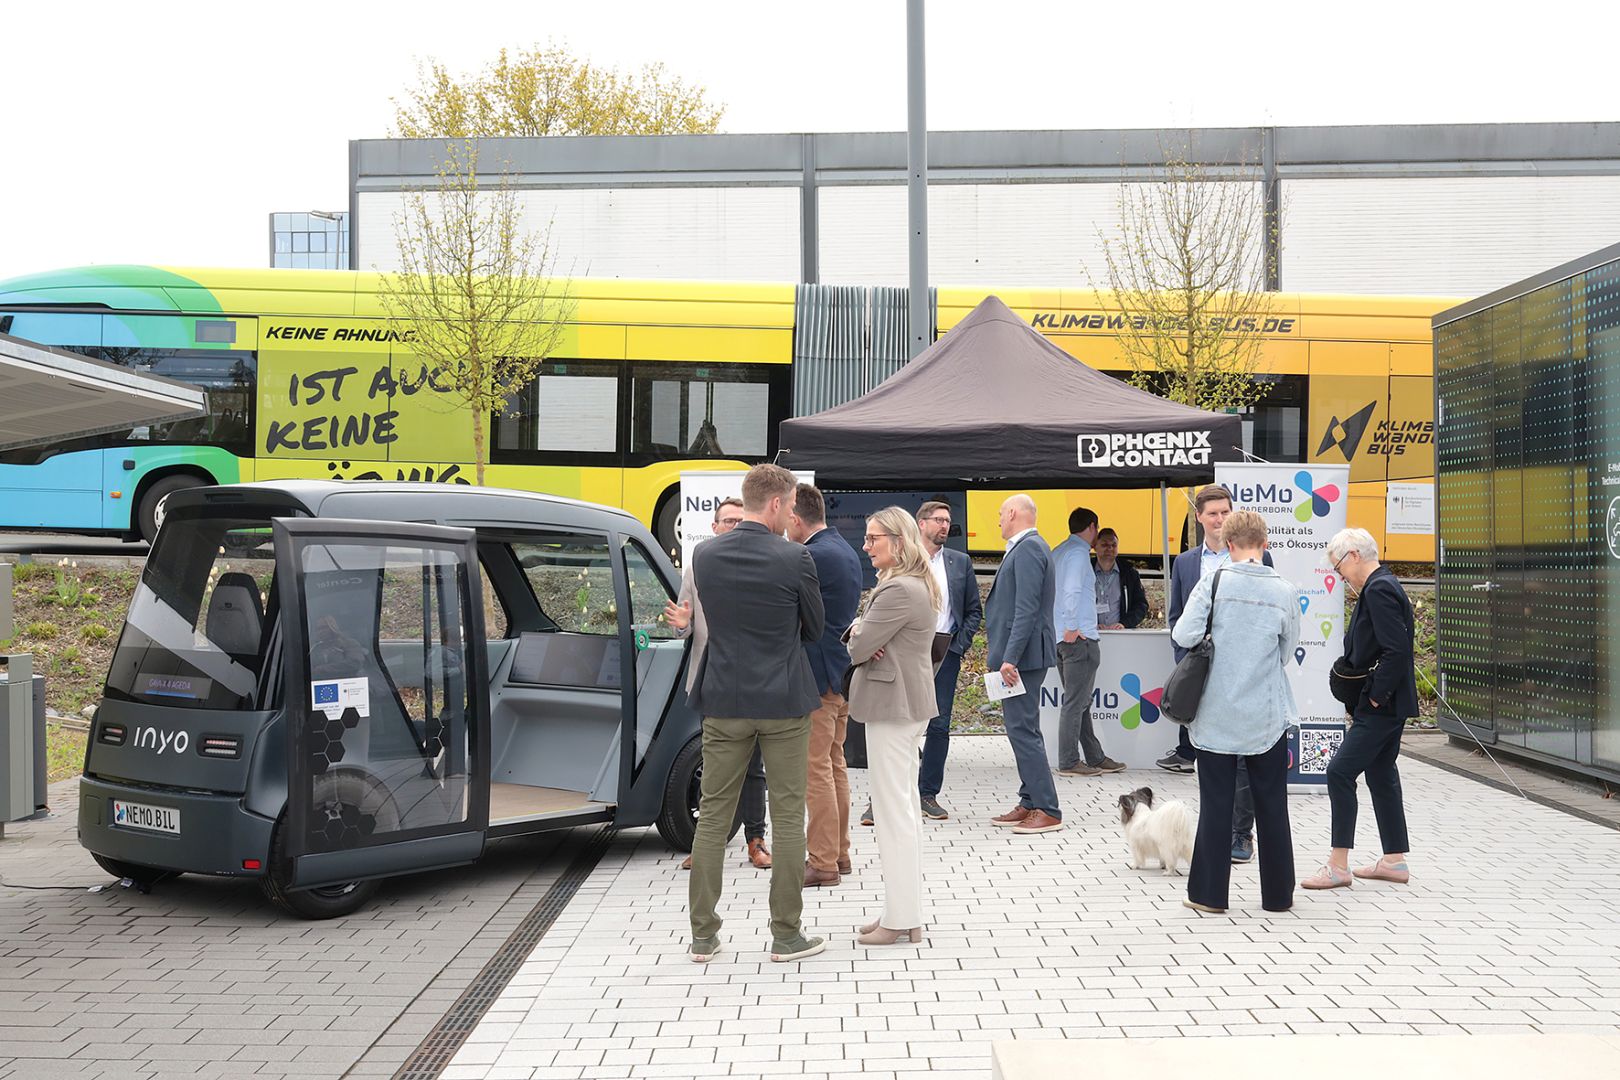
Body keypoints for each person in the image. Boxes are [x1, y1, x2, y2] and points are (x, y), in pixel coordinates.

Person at [684, 463, 827, 964]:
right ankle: (786, 934)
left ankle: (703, 935)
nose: (792, 515)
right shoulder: (794, 558)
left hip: (724, 698)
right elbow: (813, 629)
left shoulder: (704, 554)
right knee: (787, 817)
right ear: (774, 503)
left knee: (712, 816)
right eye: (790, 506)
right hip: (784, 700)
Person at [1171, 510, 1299, 915]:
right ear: (1265, 544)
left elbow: (1184, 634)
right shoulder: (1285, 590)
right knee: (1272, 806)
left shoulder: (1214, 580)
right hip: (1265, 716)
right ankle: (1278, 896)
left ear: (1228, 545)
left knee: (1215, 805)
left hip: (1216, 713)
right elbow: (1285, 651)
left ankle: (1209, 895)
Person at [1161, 484, 1275, 866]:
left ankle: (1241, 833)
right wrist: (1188, 660)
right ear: (1200, 518)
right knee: (1209, 753)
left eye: (1225, 512)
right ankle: (1214, 830)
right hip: (1202, 671)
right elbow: (1177, 616)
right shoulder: (1186, 564)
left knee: (1243, 756)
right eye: (1212, 513)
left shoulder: (1263, 560)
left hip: (1243, 674)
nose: (1220, 519)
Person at [1302, 528, 1417, 891]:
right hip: (1389, 703)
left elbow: (1397, 650)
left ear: (1352, 555)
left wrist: (1373, 697)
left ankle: (1338, 865)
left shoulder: (1379, 588)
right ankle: (1394, 860)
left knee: (1338, 772)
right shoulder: (1384, 584)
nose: (1338, 575)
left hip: (1381, 706)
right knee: (1381, 773)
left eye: (1338, 566)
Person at [846, 506, 940, 945]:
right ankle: (905, 913)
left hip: (892, 706)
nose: (866, 546)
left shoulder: (897, 590)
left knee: (893, 814)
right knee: (900, 810)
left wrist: (863, 634)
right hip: (903, 705)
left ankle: (901, 919)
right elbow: (865, 641)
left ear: (898, 542)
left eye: (873, 538)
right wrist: (865, 635)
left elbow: (859, 645)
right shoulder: (911, 584)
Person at [666, 497, 771, 872]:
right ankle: (707, 845)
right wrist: (680, 623)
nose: (733, 526)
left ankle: (756, 840)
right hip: (712, 678)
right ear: (714, 527)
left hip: (754, 680)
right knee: (714, 765)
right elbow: (686, 621)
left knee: (754, 767)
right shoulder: (699, 563)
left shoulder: (763, 564)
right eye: (727, 521)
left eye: (739, 520)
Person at [787, 484, 864, 888]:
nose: (785, 530)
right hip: (839, 674)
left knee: (816, 770)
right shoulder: (843, 549)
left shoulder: (811, 555)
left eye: (787, 522)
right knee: (834, 766)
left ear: (797, 519)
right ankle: (840, 853)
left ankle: (822, 863)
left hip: (817, 677)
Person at [985, 494, 1062, 834]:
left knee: (1022, 730)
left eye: (1001, 514)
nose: (999, 519)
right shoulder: (1028, 546)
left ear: (1013, 513)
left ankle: (1047, 808)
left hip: (1022, 659)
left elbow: (1026, 608)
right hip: (1021, 657)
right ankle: (1030, 800)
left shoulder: (1029, 548)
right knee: (1024, 728)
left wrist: (1009, 657)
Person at [914, 500, 982, 822]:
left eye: (947, 521)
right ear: (922, 524)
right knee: (902, 725)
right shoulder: (905, 559)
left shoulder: (959, 562)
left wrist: (958, 646)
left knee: (938, 726)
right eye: (939, 520)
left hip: (945, 652)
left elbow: (973, 612)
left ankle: (928, 794)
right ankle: (887, 795)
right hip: (907, 653)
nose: (945, 526)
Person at [1051, 507, 1125, 777]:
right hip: (1078, 638)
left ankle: (1094, 756)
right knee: (1075, 702)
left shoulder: (1058, 551)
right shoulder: (1079, 554)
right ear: (1092, 527)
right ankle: (1069, 760)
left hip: (1061, 638)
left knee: (1080, 701)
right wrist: (1072, 625)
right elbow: (1071, 591)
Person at [1093, 528, 1149, 630]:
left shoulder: (1130, 574)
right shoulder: (1086, 571)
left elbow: (1141, 605)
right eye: (1104, 545)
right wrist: (1091, 624)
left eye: (1113, 545)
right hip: (1092, 633)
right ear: (1095, 547)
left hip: (1120, 634)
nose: (1109, 548)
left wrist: (1125, 623)